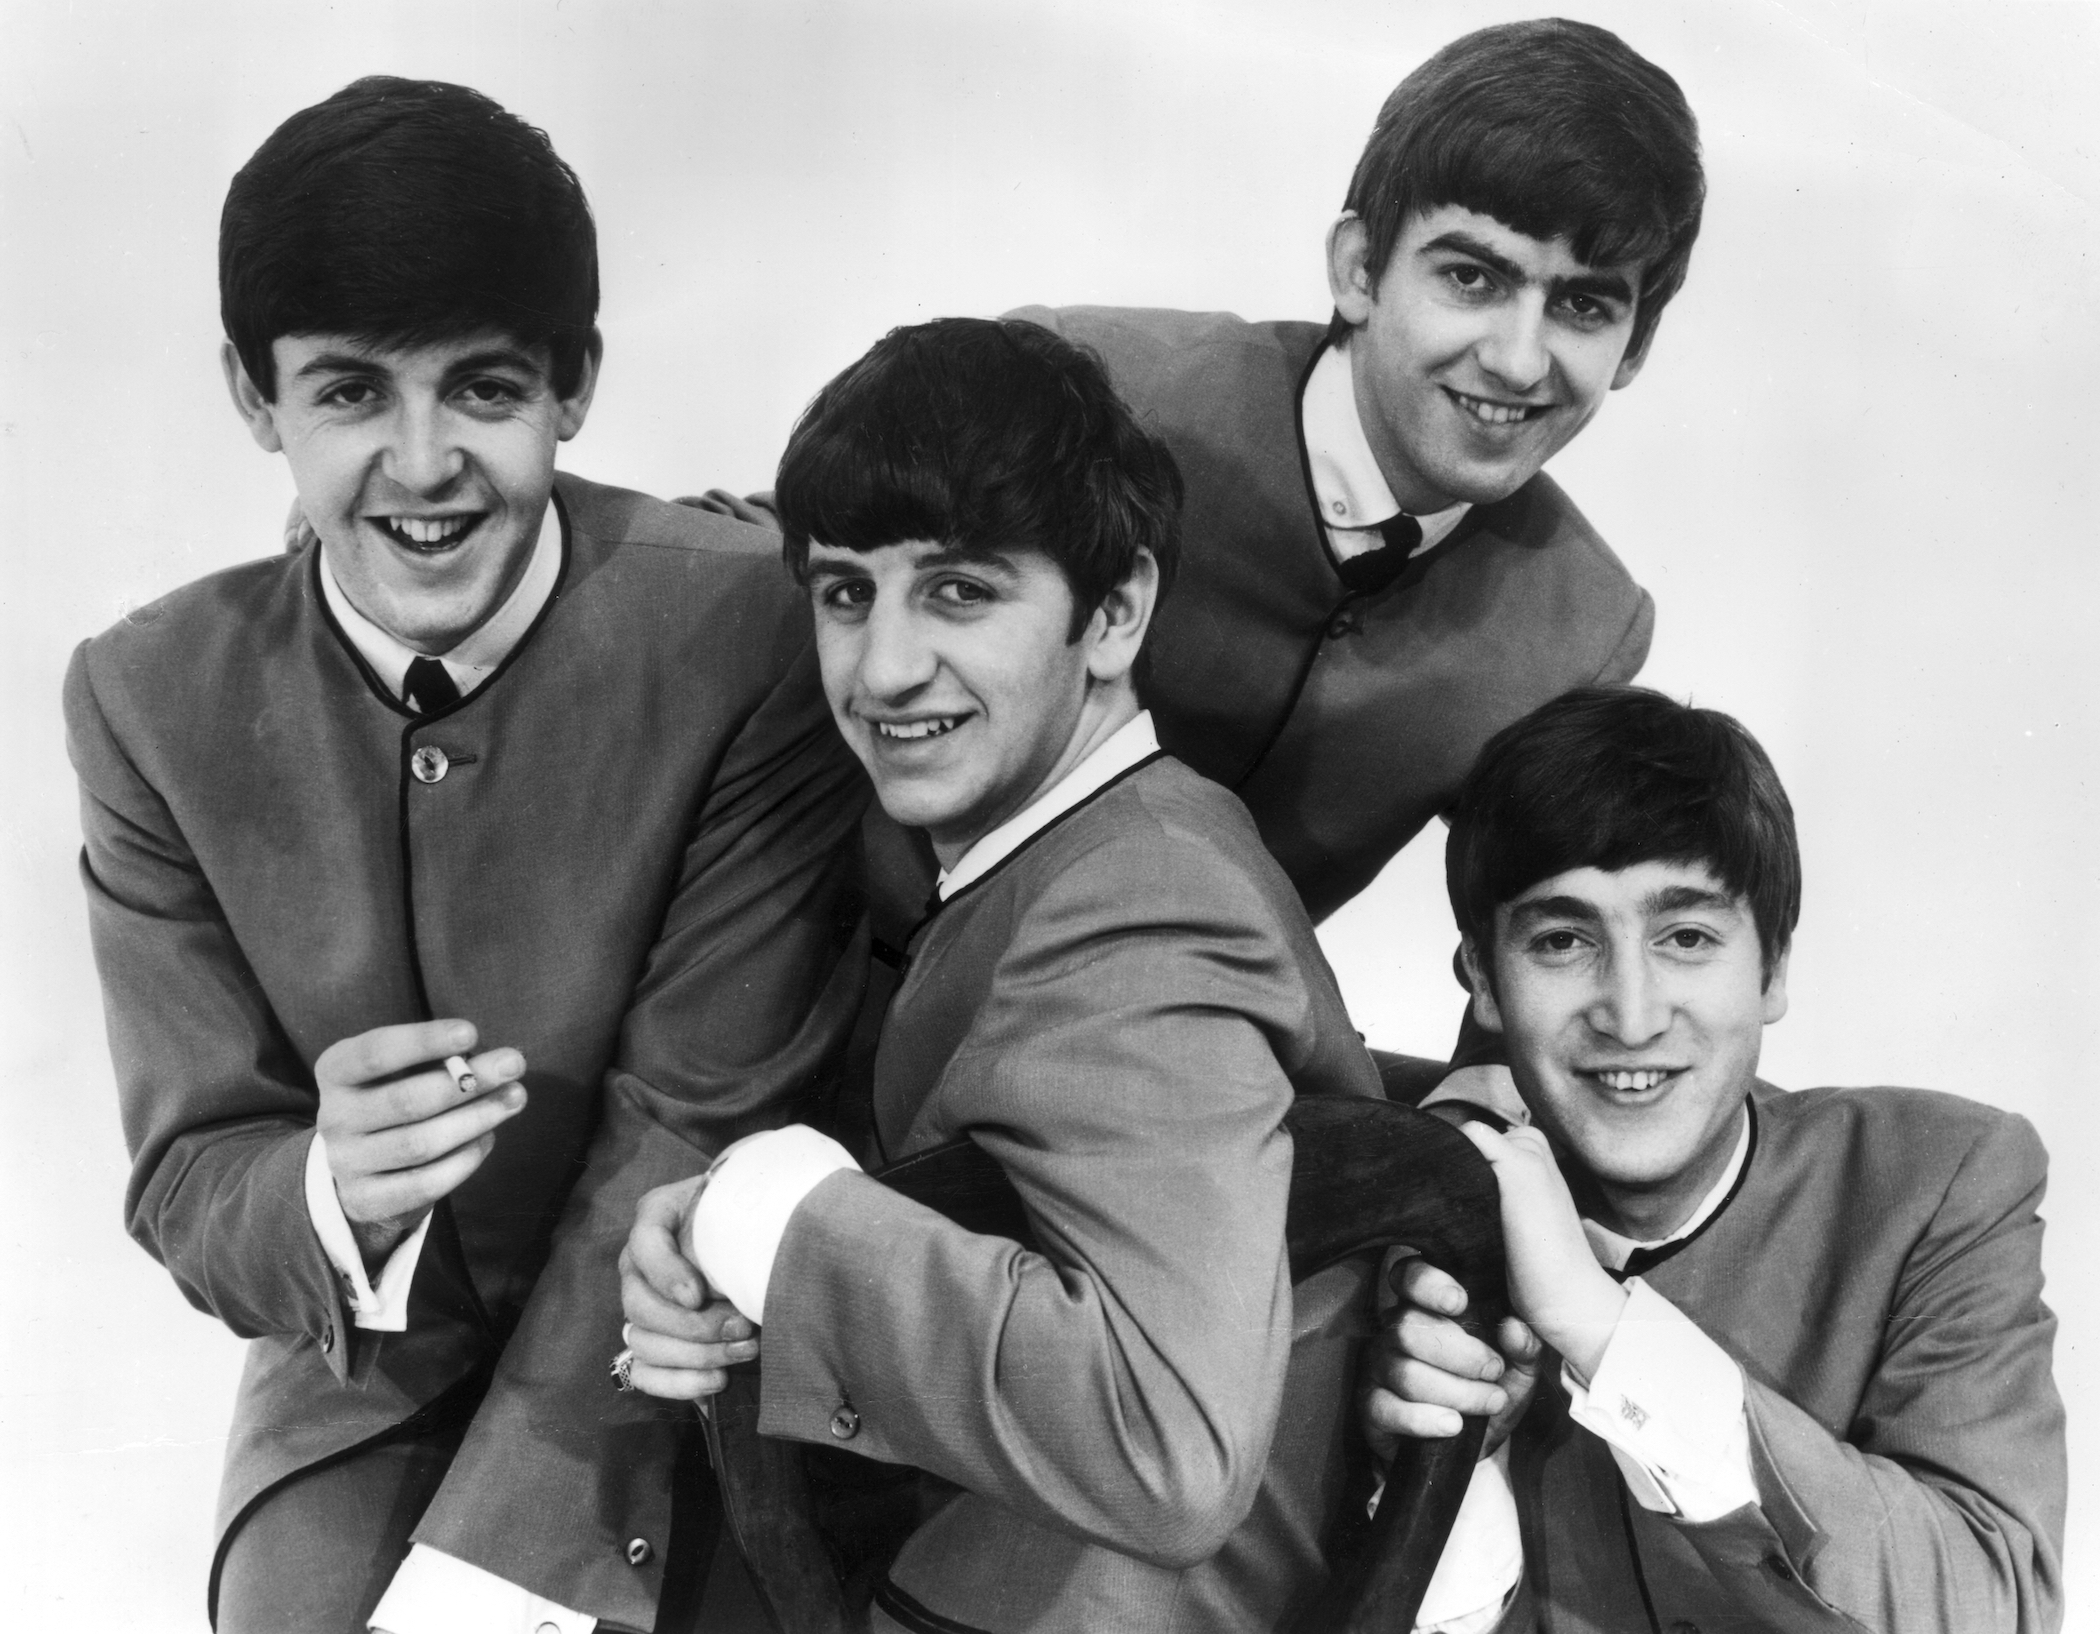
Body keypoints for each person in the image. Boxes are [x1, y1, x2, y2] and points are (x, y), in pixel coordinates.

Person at [62, 77, 866, 1634]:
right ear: (254, 397)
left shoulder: (747, 631)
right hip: (358, 1392)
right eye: (352, 393)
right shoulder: (143, 698)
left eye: (483, 389)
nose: (422, 465)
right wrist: (324, 1190)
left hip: (696, 1357)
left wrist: (498, 1577)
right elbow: (186, 1175)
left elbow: (688, 1118)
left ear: (575, 387)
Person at [694, 17, 1707, 1098]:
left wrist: (1478, 1120)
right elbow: (783, 552)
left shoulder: (1583, 627)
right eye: (1470, 278)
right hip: (777, 978)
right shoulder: (1104, 380)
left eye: (1584, 304)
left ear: (1636, 345)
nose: (1515, 356)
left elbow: (1544, 936)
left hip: (1124, 1079)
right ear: (1360, 267)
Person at [618, 316, 1385, 1632]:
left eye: (960, 591)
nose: (885, 667)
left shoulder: (1140, 902)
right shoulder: (1110, 847)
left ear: (1117, 611)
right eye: (847, 592)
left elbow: (1168, 1447)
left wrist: (770, 1215)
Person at [1364, 687, 2065, 1632]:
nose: (1633, 1013)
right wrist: (1440, 1474)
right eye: (1564, 941)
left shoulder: (1940, 1178)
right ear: (1484, 979)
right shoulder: (1404, 1207)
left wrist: (1601, 1326)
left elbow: (1993, 1606)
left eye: (1687, 937)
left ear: (1773, 970)